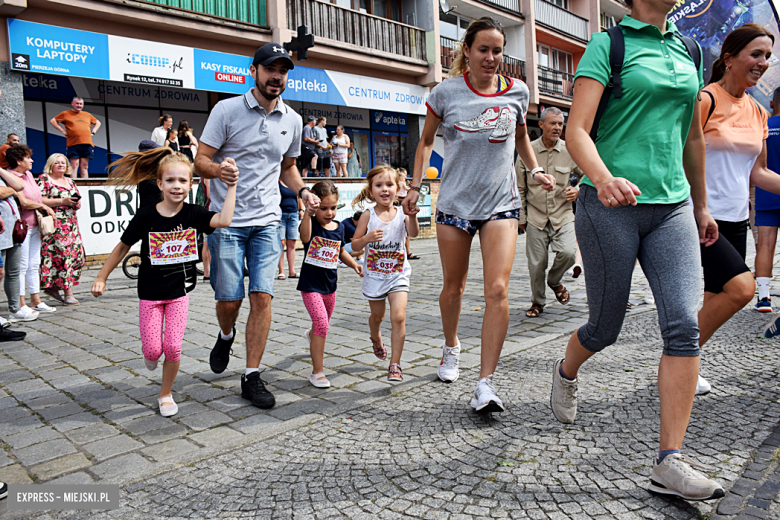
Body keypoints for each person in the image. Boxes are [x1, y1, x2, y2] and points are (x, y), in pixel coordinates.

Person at [550, 0, 725, 501]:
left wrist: (701, 206)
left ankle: (669, 461)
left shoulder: (687, 47)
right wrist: (602, 179)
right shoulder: (610, 44)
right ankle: (567, 369)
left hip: (671, 207)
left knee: (683, 324)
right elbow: (576, 129)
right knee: (606, 326)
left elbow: (692, 136)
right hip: (609, 205)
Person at [403, 17, 554, 413]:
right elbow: (425, 143)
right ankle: (451, 345)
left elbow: (521, 137)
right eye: (483, 49)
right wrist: (415, 188)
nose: (491, 58)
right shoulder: (445, 93)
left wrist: (535, 168)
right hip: (454, 204)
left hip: (500, 203)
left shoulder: (518, 92)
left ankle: (485, 383)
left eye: (498, 51)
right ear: (466, 51)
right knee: (453, 288)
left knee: (498, 290)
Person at [194, 42, 320, 410]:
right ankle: (225, 333)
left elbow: (288, 168)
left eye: (282, 71)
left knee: (262, 296)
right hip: (228, 220)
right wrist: (218, 170)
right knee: (229, 299)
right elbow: (200, 159)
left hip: (268, 220)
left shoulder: (293, 120)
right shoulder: (226, 110)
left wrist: (303, 191)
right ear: (254, 71)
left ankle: (251, 375)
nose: (276, 77)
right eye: (270, 69)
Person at [92, 149, 237, 417]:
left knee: (172, 347)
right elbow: (123, 246)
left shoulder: (193, 213)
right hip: (149, 293)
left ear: (191, 184)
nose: (177, 186)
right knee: (152, 350)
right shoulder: (146, 215)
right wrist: (101, 276)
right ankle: (151, 354)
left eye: (183, 181)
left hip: (178, 292)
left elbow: (224, 220)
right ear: (159, 184)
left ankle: (165, 393)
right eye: (170, 180)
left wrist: (232, 187)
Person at [696, 26, 780, 389]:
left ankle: (683, 364)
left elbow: (758, 172)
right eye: (756, 54)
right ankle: (677, 353)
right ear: (729, 58)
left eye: (767, 56)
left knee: (713, 299)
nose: (763, 62)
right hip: (701, 217)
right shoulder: (704, 100)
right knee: (743, 290)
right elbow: (679, 158)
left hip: (735, 218)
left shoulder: (759, 112)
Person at [352, 165, 419, 382]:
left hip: (398, 273)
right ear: (371, 190)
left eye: (389, 185)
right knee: (378, 316)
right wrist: (367, 239)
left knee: (398, 316)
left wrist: (413, 217)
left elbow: (414, 234)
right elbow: (354, 245)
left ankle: (395, 365)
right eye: (379, 185)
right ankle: (375, 337)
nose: (384, 189)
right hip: (375, 275)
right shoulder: (367, 215)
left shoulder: (401, 212)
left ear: (398, 188)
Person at [517, 107, 583, 318]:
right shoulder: (528, 151)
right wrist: (522, 218)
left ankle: (554, 281)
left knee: (569, 253)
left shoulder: (570, 150)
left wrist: (578, 189)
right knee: (536, 265)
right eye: (553, 123)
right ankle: (538, 302)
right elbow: (519, 187)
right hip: (535, 217)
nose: (557, 128)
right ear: (541, 124)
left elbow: (587, 174)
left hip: (563, 213)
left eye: (560, 124)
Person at [298, 181, 362, 387]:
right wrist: (308, 214)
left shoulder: (340, 226)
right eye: (324, 208)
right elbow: (305, 237)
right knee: (322, 325)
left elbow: (341, 250)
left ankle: (311, 335)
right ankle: (317, 372)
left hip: (330, 286)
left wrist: (354, 265)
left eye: (333, 208)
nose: (329, 213)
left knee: (320, 326)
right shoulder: (312, 224)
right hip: (310, 285)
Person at [6, 145, 57, 319]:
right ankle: (20, 303)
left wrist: (43, 204)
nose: (32, 160)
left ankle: (35, 299)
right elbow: (24, 202)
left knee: (34, 264)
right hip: (21, 227)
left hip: (35, 224)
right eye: (28, 158)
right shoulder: (11, 177)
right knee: (21, 266)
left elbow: (35, 197)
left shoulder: (28, 175)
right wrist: (43, 206)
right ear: (19, 161)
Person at [39, 154, 85, 305]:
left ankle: (53, 287)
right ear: (51, 165)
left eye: (63, 163)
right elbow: (39, 200)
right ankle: (68, 292)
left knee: (77, 256)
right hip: (56, 224)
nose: (61, 165)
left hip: (71, 224)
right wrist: (62, 201)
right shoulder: (45, 179)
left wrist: (76, 204)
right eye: (57, 163)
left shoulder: (69, 181)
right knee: (63, 256)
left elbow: (76, 198)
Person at [755, 88, 780, 312]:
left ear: (772, 104)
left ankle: (764, 298)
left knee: (765, 245)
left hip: (766, 193)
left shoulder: (763, 127)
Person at [0, 163, 28, 339]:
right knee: (0, 272)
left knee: (13, 271)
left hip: (13, 231)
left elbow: (19, 186)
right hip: (2, 233)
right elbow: (4, 192)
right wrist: (10, 190)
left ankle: (15, 308)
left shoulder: (3, 174)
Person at [49, 97, 100, 178]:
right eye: (77, 103)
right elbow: (53, 121)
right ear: (72, 103)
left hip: (87, 143)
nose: (79, 105)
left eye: (81, 104)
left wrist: (93, 132)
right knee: (74, 165)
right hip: (73, 143)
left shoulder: (87, 114)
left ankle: (85, 185)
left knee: (85, 166)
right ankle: (74, 185)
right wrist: (63, 131)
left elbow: (98, 122)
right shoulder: (66, 113)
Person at [277, 180, 303, 279]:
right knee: (281, 242)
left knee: (292, 242)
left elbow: (298, 196)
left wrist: (301, 209)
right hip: (281, 214)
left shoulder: (292, 182)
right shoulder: (277, 182)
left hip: (293, 214)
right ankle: (281, 271)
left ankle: (292, 271)